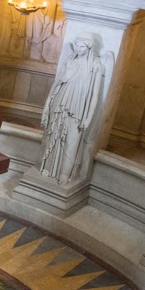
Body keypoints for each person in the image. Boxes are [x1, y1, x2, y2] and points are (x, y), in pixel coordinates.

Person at [40, 33, 105, 185]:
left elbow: (95, 95)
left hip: (78, 109)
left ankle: (64, 173)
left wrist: (88, 118)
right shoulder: (70, 61)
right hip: (60, 103)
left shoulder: (95, 66)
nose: (78, 49)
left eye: (82, 46)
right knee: (54, 136)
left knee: (72, 141)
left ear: (89, 47)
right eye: (77, 46)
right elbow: (57, 84)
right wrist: (47, 107)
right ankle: (49, 166)